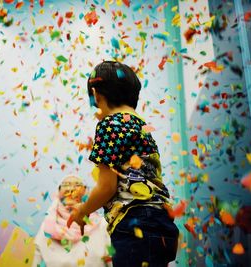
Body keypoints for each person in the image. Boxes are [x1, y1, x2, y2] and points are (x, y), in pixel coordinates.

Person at [67, 61, 179, 267]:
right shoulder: (141, 127)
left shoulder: (109, 124)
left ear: (95, 93)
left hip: (135, 222)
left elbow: (107, 187)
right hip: (162, 222)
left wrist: (82, 211)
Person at [33, 174, 112, 267]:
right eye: (66, 184)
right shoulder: (47, 227)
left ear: (86, 192)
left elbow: (111, 261)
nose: (71, 189)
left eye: (77, 185)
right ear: (58, 192)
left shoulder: (102, 224)